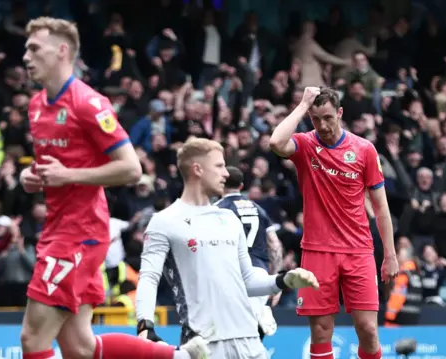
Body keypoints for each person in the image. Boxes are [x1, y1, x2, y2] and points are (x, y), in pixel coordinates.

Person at [18, 17, 209, 359]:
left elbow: (131, 168)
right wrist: (31, 177)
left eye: (34, 48)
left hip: (78, 233)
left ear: (62, 51)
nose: (26, 57)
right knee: (79, 347)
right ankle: (179, 356)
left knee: (33, 339)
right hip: (58, 227)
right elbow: (54, 166)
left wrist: (69, 175)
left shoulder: (87, 103)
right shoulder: (36, 107)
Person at [135, 138, 320, 359]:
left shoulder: (229, 219)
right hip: (204, 344)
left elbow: (248, 280)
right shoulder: (164, 221)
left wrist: (283, 280)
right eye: (219, 166)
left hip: (250, 342)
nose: (225, 174)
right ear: (198, 169)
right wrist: (145, 325)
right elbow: (148, 278)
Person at [269, 86, 399, 359]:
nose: (323, 125)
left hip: (359, 251)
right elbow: (276, 143)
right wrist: (303, 104)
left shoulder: (363, 150)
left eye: (328, 117)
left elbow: (381, 208)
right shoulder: (305, 145)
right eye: (316, 119)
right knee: (320, 331)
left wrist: (389, 254)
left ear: (340, 113)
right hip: (317, 252)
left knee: (368, 330)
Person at [215, 166, 283, 340]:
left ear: (221, 183)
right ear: (241, 185)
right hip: (258, 273)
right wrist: (274, 279)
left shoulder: (218, 209)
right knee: (253, 337)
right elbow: (274, 244)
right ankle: (260, 315)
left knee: (230, 334)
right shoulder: (258, 208)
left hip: (231, 275)